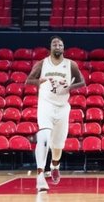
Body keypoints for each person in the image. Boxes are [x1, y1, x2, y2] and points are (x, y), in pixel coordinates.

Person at [25, 36, 85, 192]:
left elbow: (82, 82)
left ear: (63, 48)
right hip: (46, 105)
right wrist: (40, 81)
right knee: (44, 136)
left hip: (63, 107)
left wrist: (69, 87)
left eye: (60, 44)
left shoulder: (71, 65)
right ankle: (40, 177)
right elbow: (28, 80)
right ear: (50, 47)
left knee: (58, 145)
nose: (57, 45)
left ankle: (54, 165)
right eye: (54, 44)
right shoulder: (42, 64)